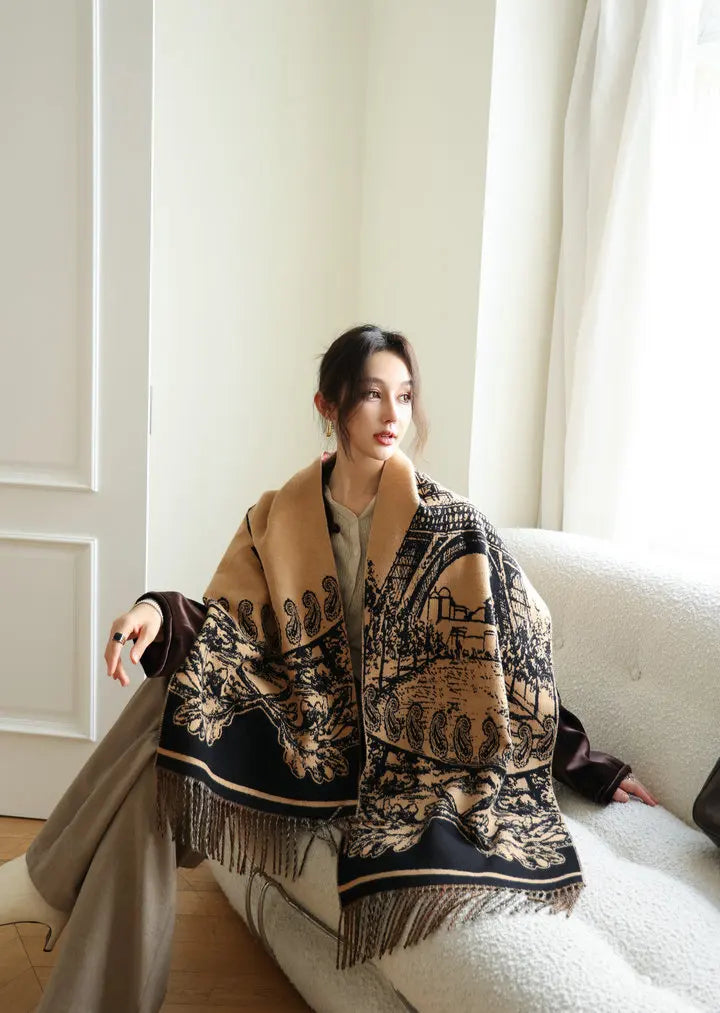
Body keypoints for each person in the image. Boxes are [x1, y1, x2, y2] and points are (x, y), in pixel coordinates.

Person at [0, 325, 657, 1011]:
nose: (393, 414)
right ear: (329, 405)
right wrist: (157, 612)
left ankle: (44, 881)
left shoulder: (452, 525)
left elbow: (508, 662)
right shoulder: (279, 514)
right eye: (372, 395)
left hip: (387, 754)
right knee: (164, 755)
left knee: (172, 719)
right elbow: (232, 627)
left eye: (404, 395)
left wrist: (589, 765)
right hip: (304, 727)